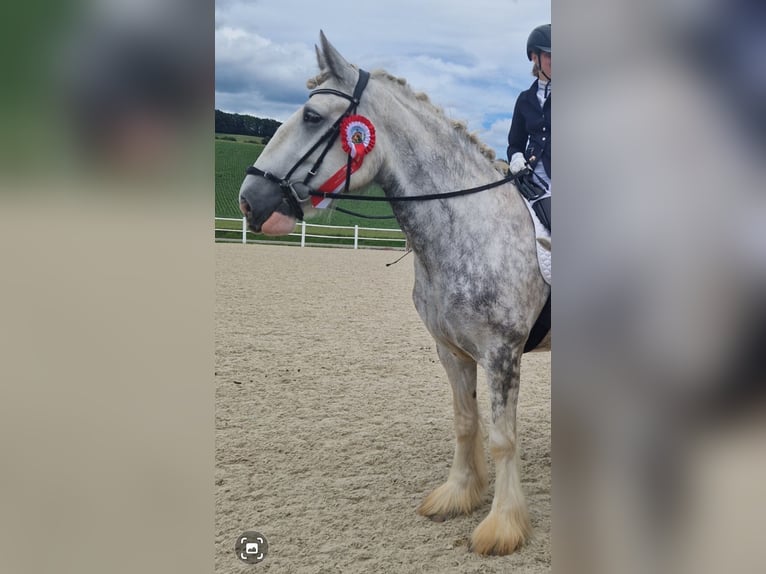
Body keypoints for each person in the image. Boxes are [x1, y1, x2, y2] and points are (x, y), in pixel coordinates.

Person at [507, 23, 551, 231]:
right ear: (535, 57)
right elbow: (514, 143)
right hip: (530, 181)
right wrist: (516, 157)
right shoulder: (524, 100)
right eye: (551, 55)